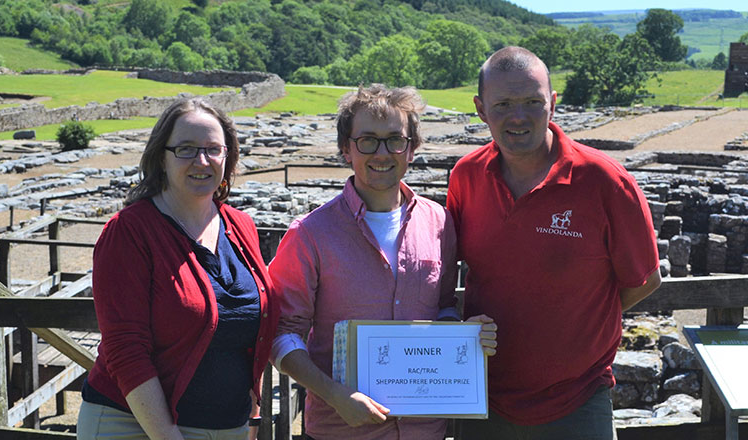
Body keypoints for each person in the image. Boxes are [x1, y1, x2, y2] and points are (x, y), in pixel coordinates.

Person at [447, 47, 661, 440]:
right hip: (483, 399)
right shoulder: (466, 176)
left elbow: (645, 279)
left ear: (553, 103)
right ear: (480, 108)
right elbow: (447, 273)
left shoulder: (606, 181)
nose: (518, 117)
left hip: (577, 401)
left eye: (533, 102)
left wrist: (576, 323)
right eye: (504, 104)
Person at [268, 84, 497, 440]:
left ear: (412, 148)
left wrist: (465, 336)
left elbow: (444, 308)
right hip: (340, 431)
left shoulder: (440, 223)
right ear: (347, 149)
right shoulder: (310, 234)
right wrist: (335, 395)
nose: (382, 152)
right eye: (368, 140)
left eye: (395, 139)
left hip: (425, 430)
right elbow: (283, 334)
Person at [77, 98, 279, 440]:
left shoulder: (241, 225)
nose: (202, 161)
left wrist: (252, 416)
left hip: (227, 427)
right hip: (136, 426)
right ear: (161, 157)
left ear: (227, 157)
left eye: (213, 149)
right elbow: (125, 349)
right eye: (185, 149)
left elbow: (250, 332)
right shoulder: (129, 231)